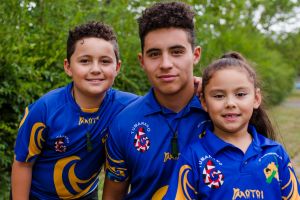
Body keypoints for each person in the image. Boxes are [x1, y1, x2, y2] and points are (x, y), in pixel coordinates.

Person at [11, 21, 139, 199]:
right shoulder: (46, 109)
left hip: (86, 195)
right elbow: (23, 164)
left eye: (105, 61)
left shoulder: (127, 106)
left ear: (117, 67)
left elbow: (162, 101)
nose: (95, 69)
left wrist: (191, 88)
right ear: (68, 67)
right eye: (85, 61)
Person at [103, 2, 209, 199]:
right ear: (142, 61)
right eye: (154, 54)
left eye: (177, 52)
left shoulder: (221, 112)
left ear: (195, 55)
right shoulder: (123, 124)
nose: (166, 64)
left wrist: (215, 91)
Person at [165, 52, 300, 199]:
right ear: (204, 102)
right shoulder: (193, 157)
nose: (230, 103)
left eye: (240, 94)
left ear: (256, 98)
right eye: (218, 96)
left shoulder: (275, 154)